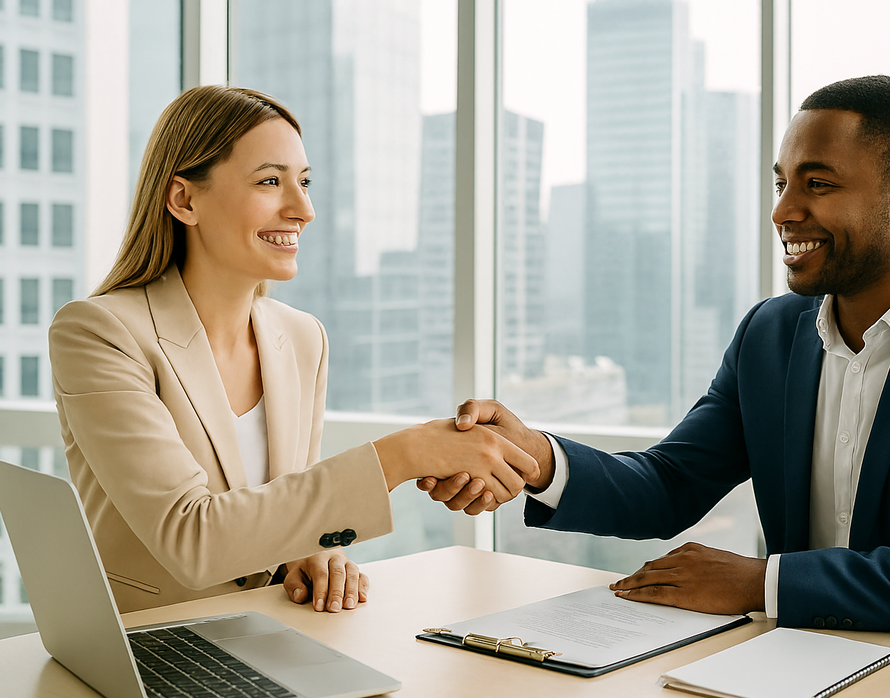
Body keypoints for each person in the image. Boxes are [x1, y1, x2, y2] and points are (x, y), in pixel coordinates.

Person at [419, 75, 890, 641]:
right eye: (781, 183)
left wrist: (759, 580)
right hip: (793, 661)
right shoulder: (771, 334)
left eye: (818, 184)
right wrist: (537, 456)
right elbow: (668, 484)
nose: (783, 211)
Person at [49, 85, 538, 615]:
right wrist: (405, 454)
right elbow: (189, 538)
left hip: (274, 635)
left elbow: (283, 512)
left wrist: (307, 553)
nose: (302, 208)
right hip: (149, 646)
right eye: (270, 181)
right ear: (184, 200)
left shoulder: (303, 337)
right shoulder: (100, 332)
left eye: (304, 183)